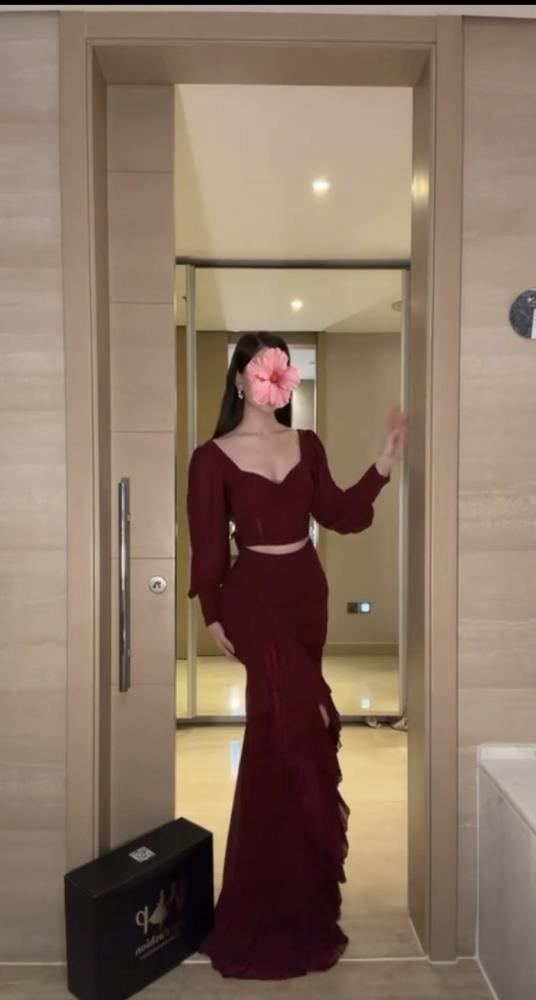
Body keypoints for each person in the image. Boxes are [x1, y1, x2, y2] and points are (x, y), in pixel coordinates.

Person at [186, 332, 407, 980]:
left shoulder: (306, 444)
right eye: (260, 369)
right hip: (254, 604)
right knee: (278, 739)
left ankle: (301, 899)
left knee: (298, 738)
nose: (271, 381)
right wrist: (212, 612)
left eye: (280, 370)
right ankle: (260, 909)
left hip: (307, 596)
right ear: (239, 379)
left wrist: (384, 463)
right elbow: (207, 545)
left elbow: (338, 513)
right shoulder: (211, 457)